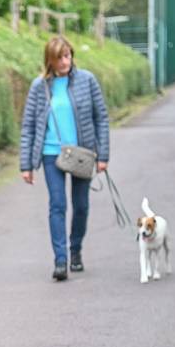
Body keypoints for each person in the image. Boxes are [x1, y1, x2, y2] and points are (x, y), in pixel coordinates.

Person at [18, 36, 111, 280]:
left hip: (82, 152)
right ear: (50, 59)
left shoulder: (86, 80)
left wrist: (103, 156)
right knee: (57, 205)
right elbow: (28, 125)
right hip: (52, 154)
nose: (65, 61)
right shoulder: (40, 86)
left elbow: (101, 117)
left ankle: (76, 248)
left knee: (81, 206)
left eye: (68, 55)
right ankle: (61, 260)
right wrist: (26, 165)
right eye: (59, 57)